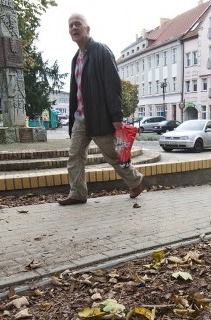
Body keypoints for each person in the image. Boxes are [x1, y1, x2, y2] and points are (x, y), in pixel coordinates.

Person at [58, 13, 144, 206]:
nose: (73, 28)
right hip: (80, 118)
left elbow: (113, 85)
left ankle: (135, 180)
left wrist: (116, 117)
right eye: (70, 25)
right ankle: (78, 193)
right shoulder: (75, 58)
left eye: (77, 24)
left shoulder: (101, 51)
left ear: (88, 29)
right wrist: (72, 120)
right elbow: (76, 92)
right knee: (75, 156)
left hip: (100, 117)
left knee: (112, 155)